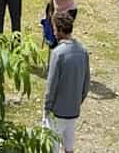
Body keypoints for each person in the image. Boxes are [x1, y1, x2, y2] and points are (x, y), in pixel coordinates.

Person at [42, 10, 90, 152]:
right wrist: (77, 101)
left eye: (55, 29)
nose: (54, 33)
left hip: (57, 112)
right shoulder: (83, 51)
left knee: (53, 148)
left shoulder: (58, 53)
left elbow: (51, 86)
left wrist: (47, 108)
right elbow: (86, 84)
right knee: (69, 147)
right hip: (73, 110)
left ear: (61, 30)